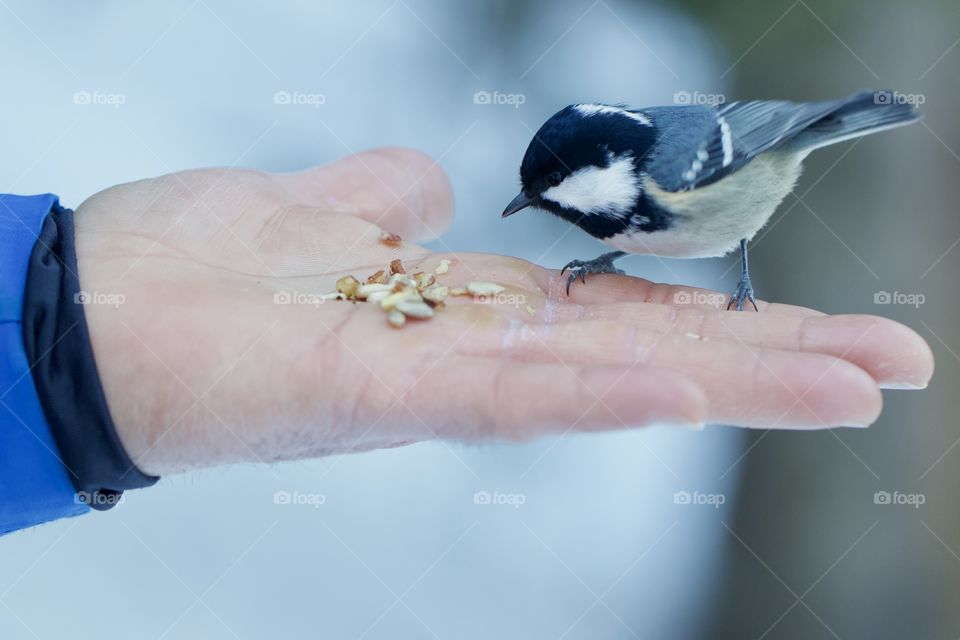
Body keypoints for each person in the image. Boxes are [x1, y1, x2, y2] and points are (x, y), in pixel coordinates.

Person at [0, 147, 934, 535]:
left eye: (550, 188)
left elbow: (750, 186)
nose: (536, 207)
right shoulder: (609, 205)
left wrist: (60, 322)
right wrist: (72, 337)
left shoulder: (668, 163)